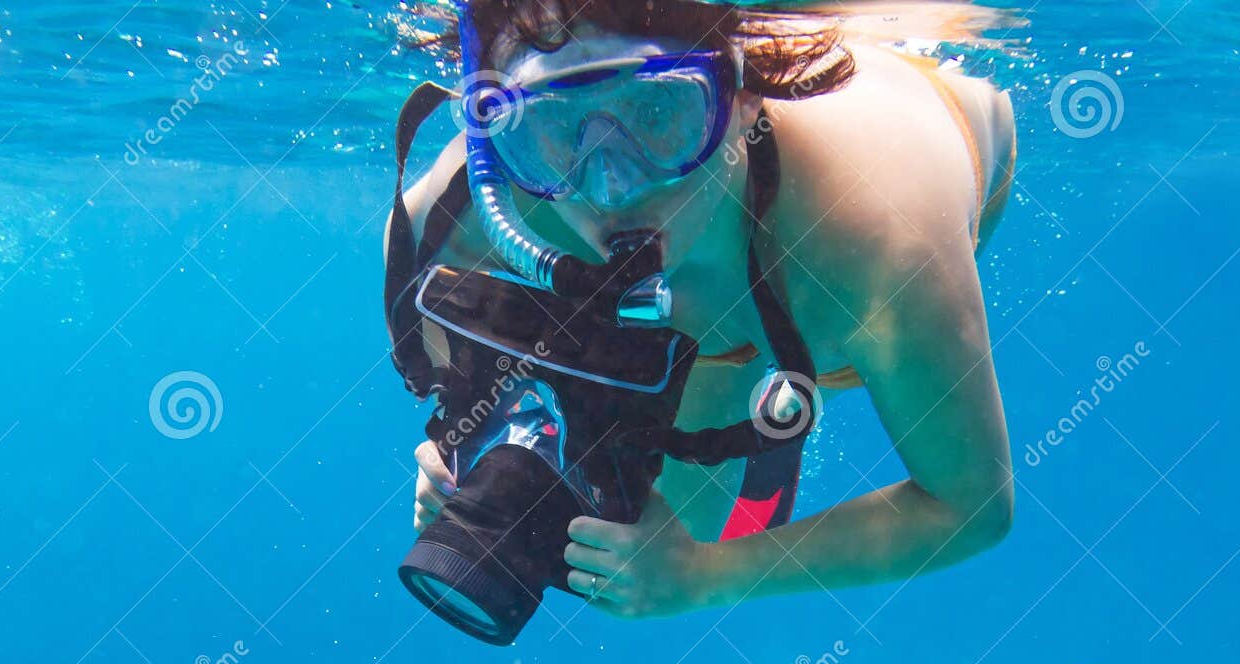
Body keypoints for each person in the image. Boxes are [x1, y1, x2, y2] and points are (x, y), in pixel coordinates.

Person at [400, 0, 1016, 621]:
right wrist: (477, 444)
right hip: (724, 260)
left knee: (843, 329)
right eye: (556, 127)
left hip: (892, 167)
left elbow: (970, 506)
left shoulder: (884, 234)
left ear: (744, 93)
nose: (611, 188)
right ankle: (749, 375)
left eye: (657, 108)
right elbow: (446, 350)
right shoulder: (475, 207)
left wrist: (706, 577)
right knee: (642, 537)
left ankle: (780, 373)